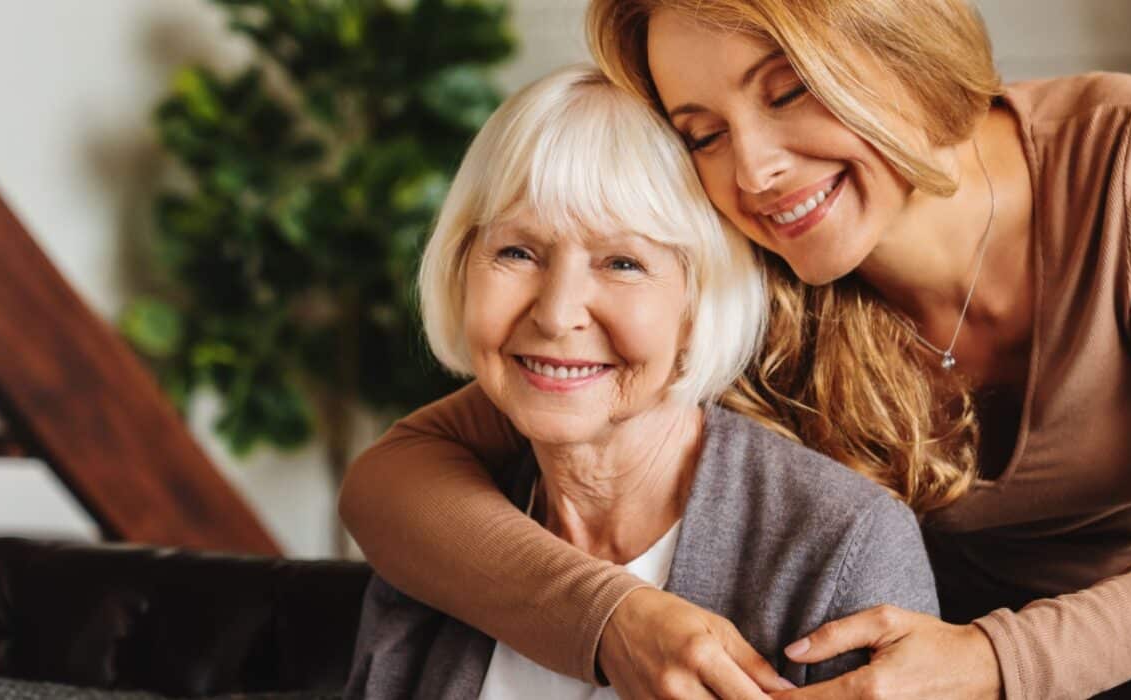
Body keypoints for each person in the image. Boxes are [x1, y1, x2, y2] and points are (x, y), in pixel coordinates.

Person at [339, 1, 1131, 698]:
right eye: (701, 132)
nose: (755, 170)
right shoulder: (746, 264)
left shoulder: (1120, 153)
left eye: (790, 90)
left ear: (890, 40)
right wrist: (609, 621)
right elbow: (394, 482)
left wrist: (989, 666)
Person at [343, 64, 939, 699]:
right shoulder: (441, 542)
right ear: (461, 267)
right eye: (517, 252)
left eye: (623, 262)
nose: (556, 313)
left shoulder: (842, 542)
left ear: (699, 300)